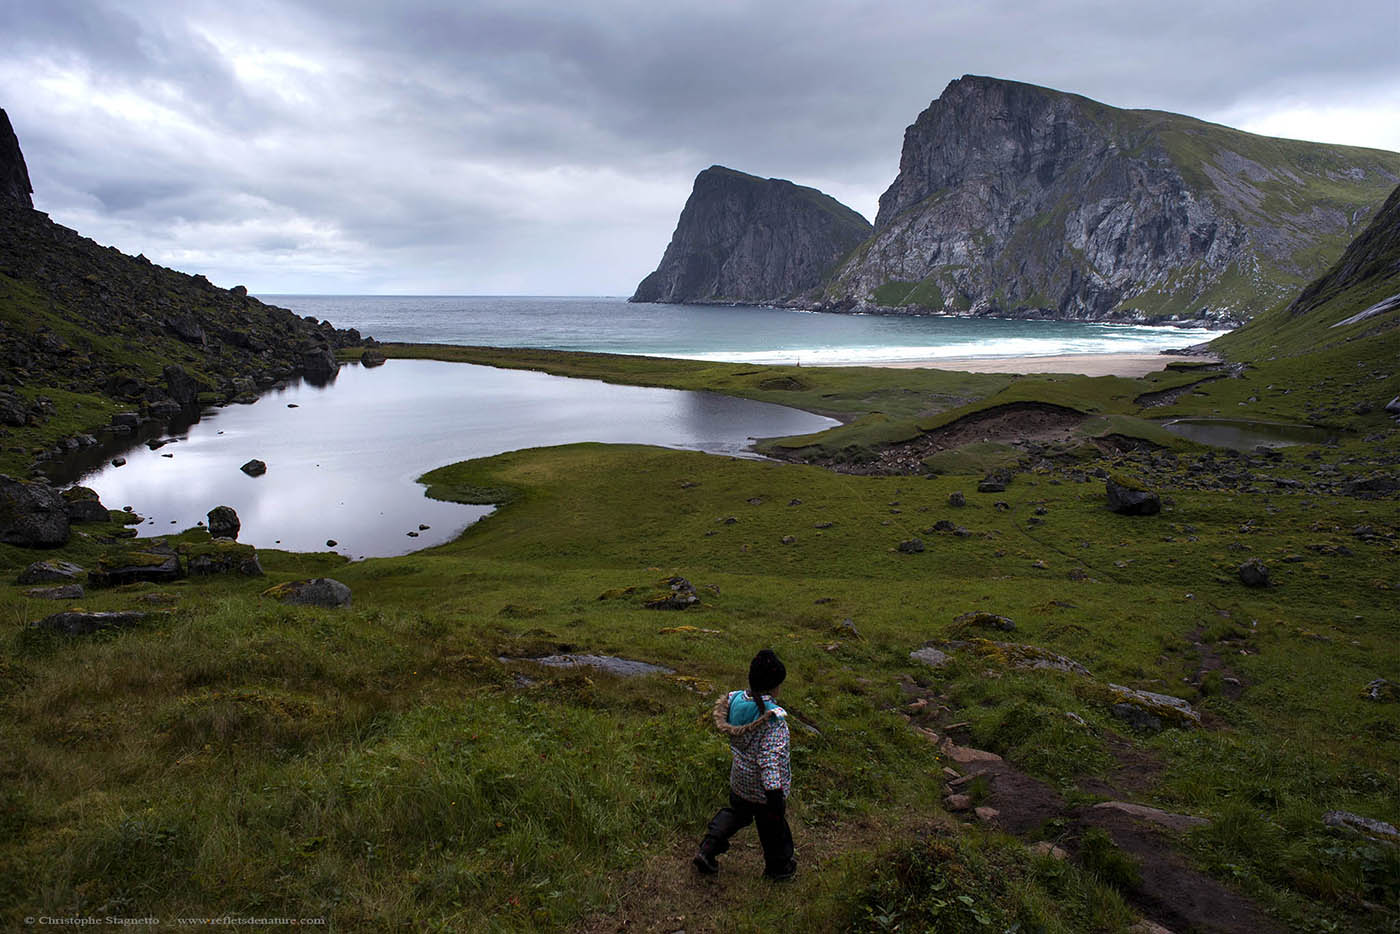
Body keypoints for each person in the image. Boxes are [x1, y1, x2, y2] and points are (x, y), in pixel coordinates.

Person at [693, 648, 796, 881]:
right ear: (773, 685)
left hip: (739, 782)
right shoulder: (772, 720)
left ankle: (707, 849)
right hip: (763, 791)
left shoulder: (736, 701)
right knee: (774, 830)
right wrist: (775, 795)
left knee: (736, 814)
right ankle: (779, 869)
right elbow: (769, 760)